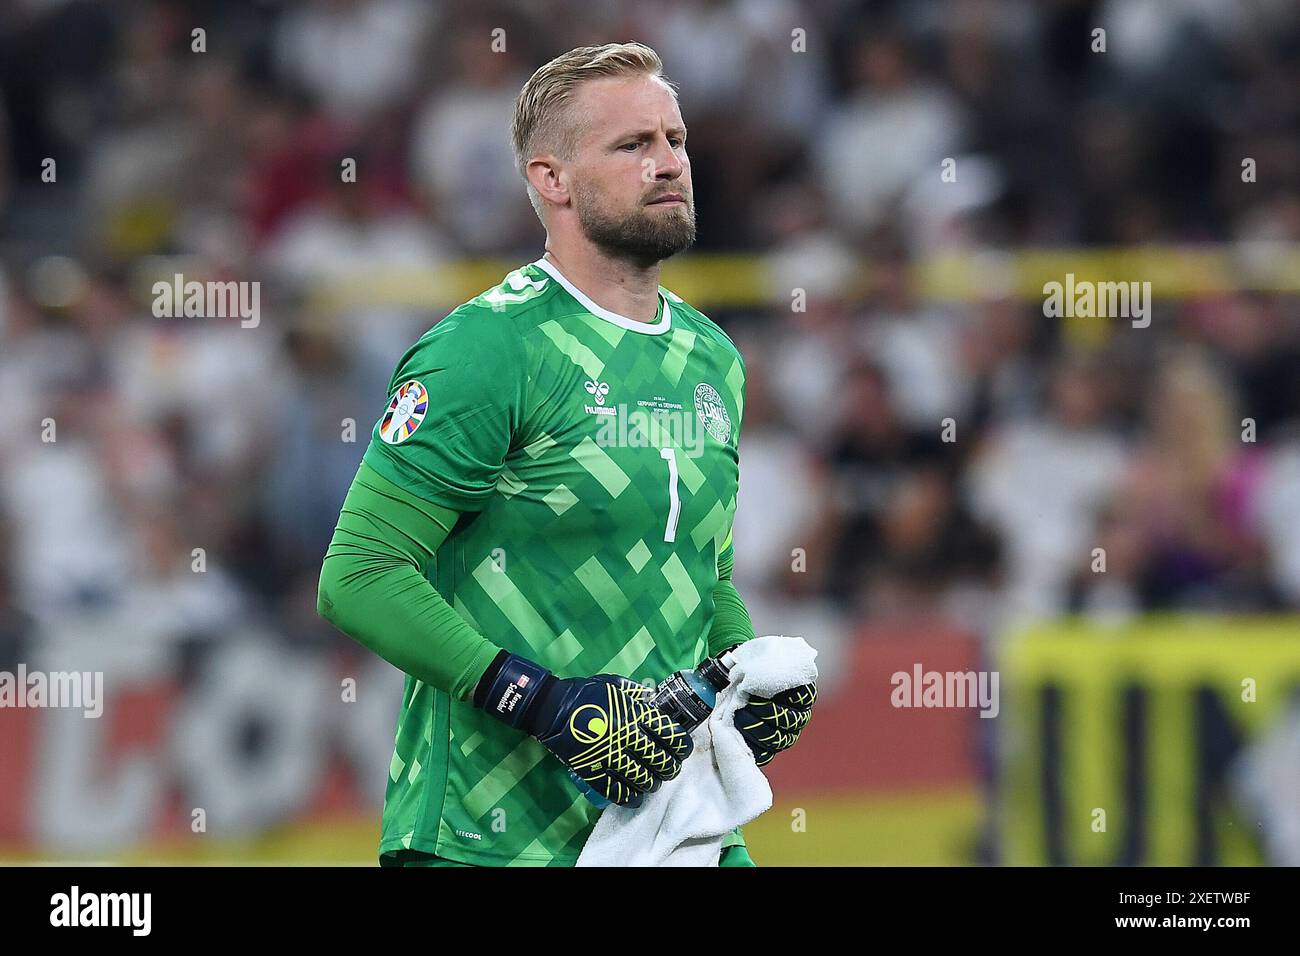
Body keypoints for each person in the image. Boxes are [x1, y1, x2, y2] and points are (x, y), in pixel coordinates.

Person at [318, 42, 815, 867]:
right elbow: (360, 576)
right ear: (552, 180)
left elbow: (704, 576)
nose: (667, 164)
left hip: (673, 826)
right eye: (633, 146)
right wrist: (544, 701)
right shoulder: (488, 348)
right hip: (488, 837)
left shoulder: (712, 357)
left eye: (675, 140)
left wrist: (743, 677)